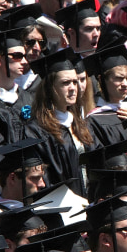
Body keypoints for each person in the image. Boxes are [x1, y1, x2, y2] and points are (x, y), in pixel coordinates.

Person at [25, 48, 96, 196]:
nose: (73, 89)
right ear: (50, 88)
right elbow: (44, 177)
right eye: (65, 83)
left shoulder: (81, 124)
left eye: (74, 82)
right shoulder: (37, 130)